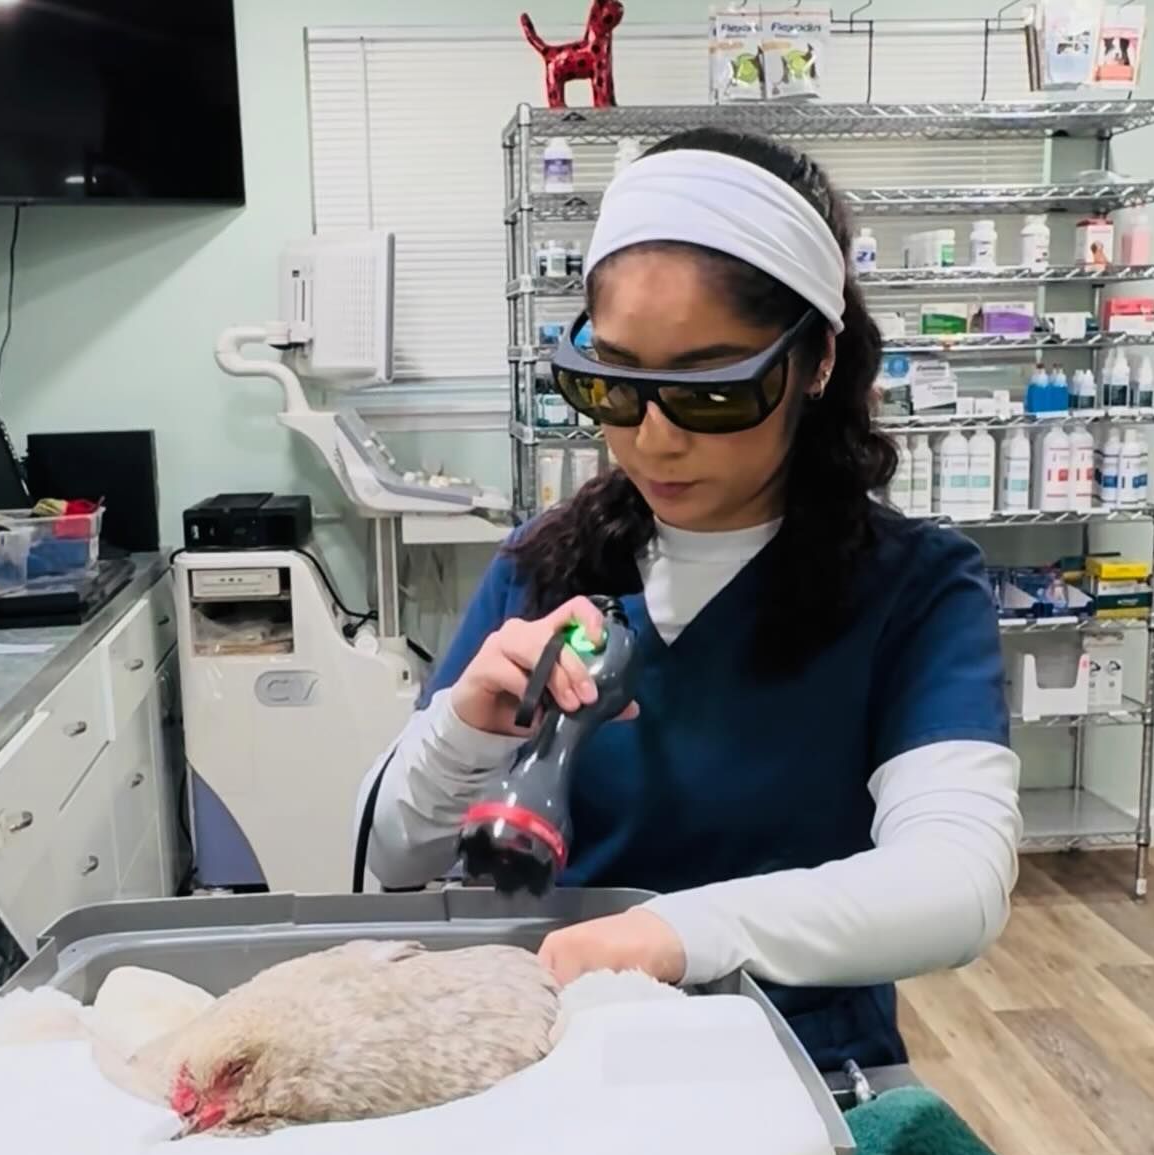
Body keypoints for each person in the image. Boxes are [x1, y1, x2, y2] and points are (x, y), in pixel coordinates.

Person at [359, 129, 1021, 1071]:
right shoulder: (545, 567)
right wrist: (465, 729)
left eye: (712, 394)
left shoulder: (913, 592)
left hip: (803, 1068)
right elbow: (397, 855)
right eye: (615, 385)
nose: (655, 441)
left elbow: (957, 884)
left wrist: (675, 936)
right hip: (550, 1046)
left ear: (817, 362)